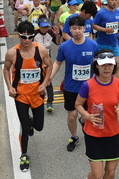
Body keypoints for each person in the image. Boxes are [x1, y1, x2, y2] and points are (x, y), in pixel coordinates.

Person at [3, 21, 53, 172]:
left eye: (30, 37)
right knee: (25, 128)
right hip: (21, 96)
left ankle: (31, 121)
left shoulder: (42, 50)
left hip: (37, 94)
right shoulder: (12, 53)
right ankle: (24, 154)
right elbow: (6, 70)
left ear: (33, 37)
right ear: (19, 36)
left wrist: (44, 84)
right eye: (23, 37)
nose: (26, 40)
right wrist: (10, 86)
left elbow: (49, 66)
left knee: (38, 127)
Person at [75, 52, 119, 179]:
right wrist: (87, 116)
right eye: (103, 65)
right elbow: (78, 104)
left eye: (110, 65)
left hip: (112, 134)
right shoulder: (87, 85)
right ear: (97, 66)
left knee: (110, 172)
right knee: (97, 174)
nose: (107, 68)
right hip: (93, 135)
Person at [49, 16, 99, 152]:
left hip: (88, 88)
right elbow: (57, 63)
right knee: (72, 116)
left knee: (87, 115)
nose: (77, 31)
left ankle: (89, 131)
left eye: (79, 28)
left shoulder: (93, 45)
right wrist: (49, 78)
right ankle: (74, 136)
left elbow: (98, 64)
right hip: (70, 87)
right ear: (70, 30)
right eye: (74, 28)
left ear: (84, 29)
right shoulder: (64, 47)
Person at [34, 15, 57, 112]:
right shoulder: (34, 34)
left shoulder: (51, 33)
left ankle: (50, 102)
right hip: (36, 62)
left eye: (47, 27)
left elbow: (58, 42)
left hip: (48, 62)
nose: (45, 29)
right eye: (43, 27)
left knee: (48, 81)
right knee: (37, 81)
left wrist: (57, 34)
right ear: (39, 26)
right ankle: (37, 101)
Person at [92, 0, 119, 65]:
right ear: (108, 0)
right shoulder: (101, 13)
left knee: (116, 66)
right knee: (101, 66)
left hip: (114, 43)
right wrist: (105, 30)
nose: (114, 2)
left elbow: (117, 22)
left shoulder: (118, 12)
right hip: (102, 44)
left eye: (115, 0)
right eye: (112, 0)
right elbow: (93, 25)